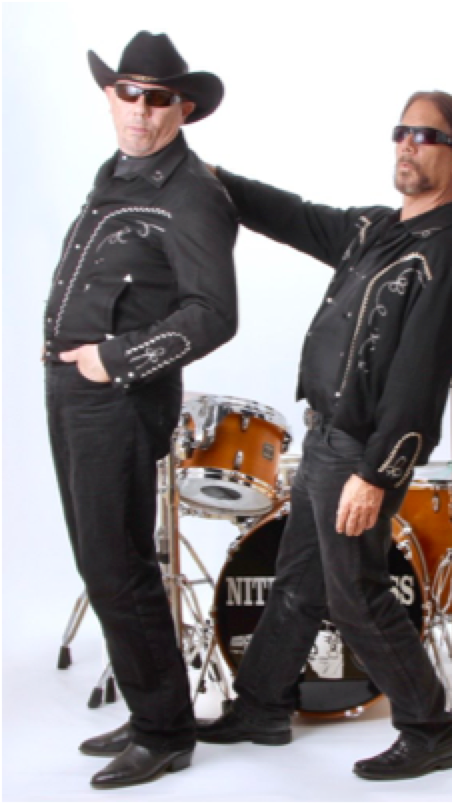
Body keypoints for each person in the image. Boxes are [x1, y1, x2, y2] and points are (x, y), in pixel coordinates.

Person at [197, 90, 452, 781]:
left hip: (362, 450)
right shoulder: (371, 230)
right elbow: (290, 213)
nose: (408, 144)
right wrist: (212, 176)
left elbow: (417, 385)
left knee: (356, 593)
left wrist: (377, 474)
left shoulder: (447, 255)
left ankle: (430, 729)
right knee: (299, 582)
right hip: (325, 437)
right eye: (402, 131)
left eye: (427, 135)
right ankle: (261, 707)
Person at [43, 31, 238, 789]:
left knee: (116, 562)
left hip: (119, 395)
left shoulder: (192, 193)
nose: (141, 109)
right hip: (75, 390)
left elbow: (214, 314)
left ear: (182, 108)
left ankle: (163, 733)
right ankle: (156, 710)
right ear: (110, 95)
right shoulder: (117, 175)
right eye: (129, 92)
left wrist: (114, 360)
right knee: (105, 560)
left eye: (158, 99)